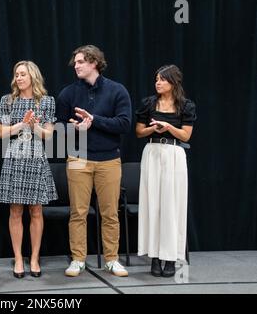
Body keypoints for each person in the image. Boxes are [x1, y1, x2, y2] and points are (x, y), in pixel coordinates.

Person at [56, 45, 131, 277]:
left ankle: (111, 259)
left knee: (110, 213)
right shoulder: (68, 93)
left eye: (80, 62)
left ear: (94, 63)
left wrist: (94, 120)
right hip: (78, 158)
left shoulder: (117, 90)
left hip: (109, 159)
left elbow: (125, 124)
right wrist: (75, 128)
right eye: (75, 62)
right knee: (78, 212)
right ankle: (78, 259)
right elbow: (58, 128)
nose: (76, 66)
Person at [0, 61, 57, 279]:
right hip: (15, 158)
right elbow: (1, 133)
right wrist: (21, 125)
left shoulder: (46, 102)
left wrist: (34, 126)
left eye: (22, 74)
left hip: (36, 157)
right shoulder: (8, 101)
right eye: (16, 74)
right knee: (15, 211)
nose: (18, 78)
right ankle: (18, 259)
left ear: (33, 76)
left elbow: (48, 135)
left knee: (36, 211)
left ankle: (34, 258)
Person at [135, 64, 196, 277]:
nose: (158, 83)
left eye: (162, 79)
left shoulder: (185, 106)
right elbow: (139, 132)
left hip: (173, 154)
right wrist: (153, 128)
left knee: (171, 205)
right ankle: (154, 256)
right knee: (153, 205)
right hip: (152, 152)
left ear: (173, 82)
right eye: (156, 79)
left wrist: (168, 127)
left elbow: (186, 136)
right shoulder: (149, 103)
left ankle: (170, 257)